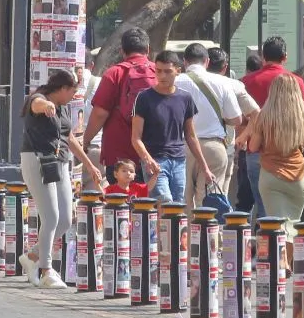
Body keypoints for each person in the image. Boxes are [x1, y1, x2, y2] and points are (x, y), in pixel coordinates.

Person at [18, 70, 102, 288]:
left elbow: (70, 138)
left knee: (65, 219)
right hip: (38, 159)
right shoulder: (39, 99)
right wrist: (46, 106)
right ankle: (46, 269)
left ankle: (32, 256)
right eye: (73, 91)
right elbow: (37, 105)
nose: (74, 96)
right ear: (63, 88)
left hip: (61, 162)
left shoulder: (63, 107)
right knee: (51, 216)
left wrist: (90, 165)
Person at [245, 73, 304, 272]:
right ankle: (286, 262)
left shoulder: (264, 116)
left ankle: (282, 261)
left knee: (276, 221)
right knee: (293, 222)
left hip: (271, 174)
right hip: (298, 174)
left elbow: (253, 146)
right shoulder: (303, 115)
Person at [240, 37, 304, 230]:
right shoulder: (296, 82)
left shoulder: (247, 82)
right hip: (293, 158)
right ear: (285, 57)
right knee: (291, 223)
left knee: (265, 214)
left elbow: (241, 119)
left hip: (260, 155)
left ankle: (267, 248)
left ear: (263, 57)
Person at [131, 50, 215, 204]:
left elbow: (191, 136)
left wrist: (205, 168)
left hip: (179, 160)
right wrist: (148, 159)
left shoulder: (185, 98)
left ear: (178, 71)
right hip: (155, 159)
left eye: (167, 71)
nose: (162, 76)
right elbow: (136, 137)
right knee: (164, 201)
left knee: (178, 206)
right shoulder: (144, 97)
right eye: (158, 71)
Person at [83, 28, 156, 185]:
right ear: (148, 49)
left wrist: (86, 140)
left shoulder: (114, 73)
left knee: (121, 199)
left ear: (122, 51)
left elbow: (100, 114)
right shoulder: (160, 73)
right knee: (153, 199)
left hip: (120, 157)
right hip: (154, 155)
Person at [175, 43, 241, 212]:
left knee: (183, 200)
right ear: (207, 61)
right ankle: (206, 229)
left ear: (185, 62)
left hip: (181, 146)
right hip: (213, 146)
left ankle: (186, 229)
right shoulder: (222, 82)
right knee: (208, 203)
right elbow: (236, 119)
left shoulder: (175, 81)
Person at [206, 47, 260, 202]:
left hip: (193, 145)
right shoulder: (233, 85)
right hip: (225, 145)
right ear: (225, 67)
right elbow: (256, 113)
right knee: (220, 193)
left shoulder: (188, 82)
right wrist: (244, 136)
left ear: (206, 63)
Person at [234, 53, 264, 216]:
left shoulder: (242, 84)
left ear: (247, 69)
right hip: (271, 149)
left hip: (247, 147)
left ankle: (242, 228)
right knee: (264, 200)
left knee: (245, 198)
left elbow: (239, 120)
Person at [80, 53, 105, 191]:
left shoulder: (63, 83)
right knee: (95, 193)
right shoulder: (101, 83)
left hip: (69, 147)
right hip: (95, 146)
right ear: (92, 65)